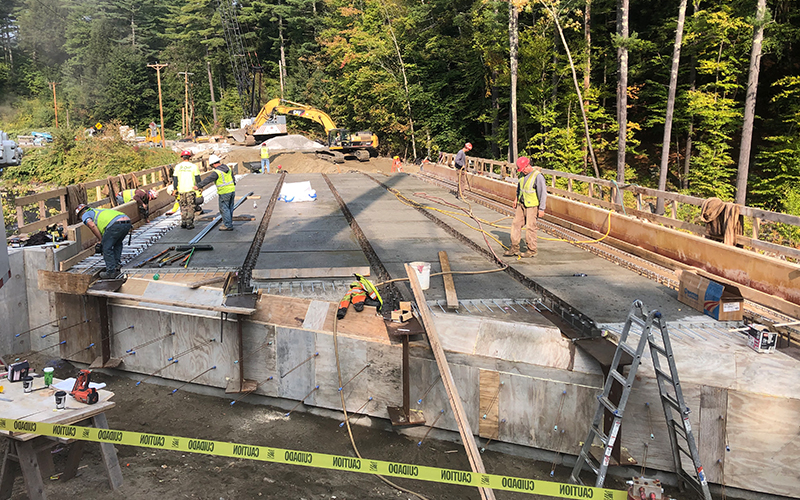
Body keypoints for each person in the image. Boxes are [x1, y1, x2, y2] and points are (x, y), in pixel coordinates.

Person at [504, 156, 546, 258]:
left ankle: (532, 250)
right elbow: (520, 188)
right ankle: (514, 247)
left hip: (532, 206)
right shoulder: (522, 175)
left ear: (528, 166)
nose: (522, 172)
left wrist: (541, 209)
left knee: (530, 227)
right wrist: (516, 199)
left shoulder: (538, 176)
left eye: (523, 169)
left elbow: (543, 193)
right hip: (521, 203)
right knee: (516, 224)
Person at [76, 204, 131, 279]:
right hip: (127, 221)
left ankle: (111, 272)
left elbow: (92, 225)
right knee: (117, 243)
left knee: (106, 247)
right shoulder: (97, 211)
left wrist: (100, 240)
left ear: (80, 214)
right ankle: (117, 265)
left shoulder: (85, 214)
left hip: (115, 224)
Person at [197, 154, 236, 231]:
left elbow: (208, 179)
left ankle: (228, 225)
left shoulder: (217, 172)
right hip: (232, 190)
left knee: (224, 209)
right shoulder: (228, 167)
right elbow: (233, 178)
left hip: (224, 192)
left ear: (213, 164)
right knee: (230, 208)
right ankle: (229, 222)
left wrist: (198, 186)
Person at [173, 150, 201, 229]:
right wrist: (200, 187)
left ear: (182, 157)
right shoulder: (193, 166)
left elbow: (175, 179)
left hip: (181, 190)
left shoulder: (178, 167)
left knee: (183, 206)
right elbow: (197, 178)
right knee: (190, 206)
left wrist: (175, 189)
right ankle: (189, 223)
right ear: (190, 157)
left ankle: (184, 222)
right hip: (190, 189)